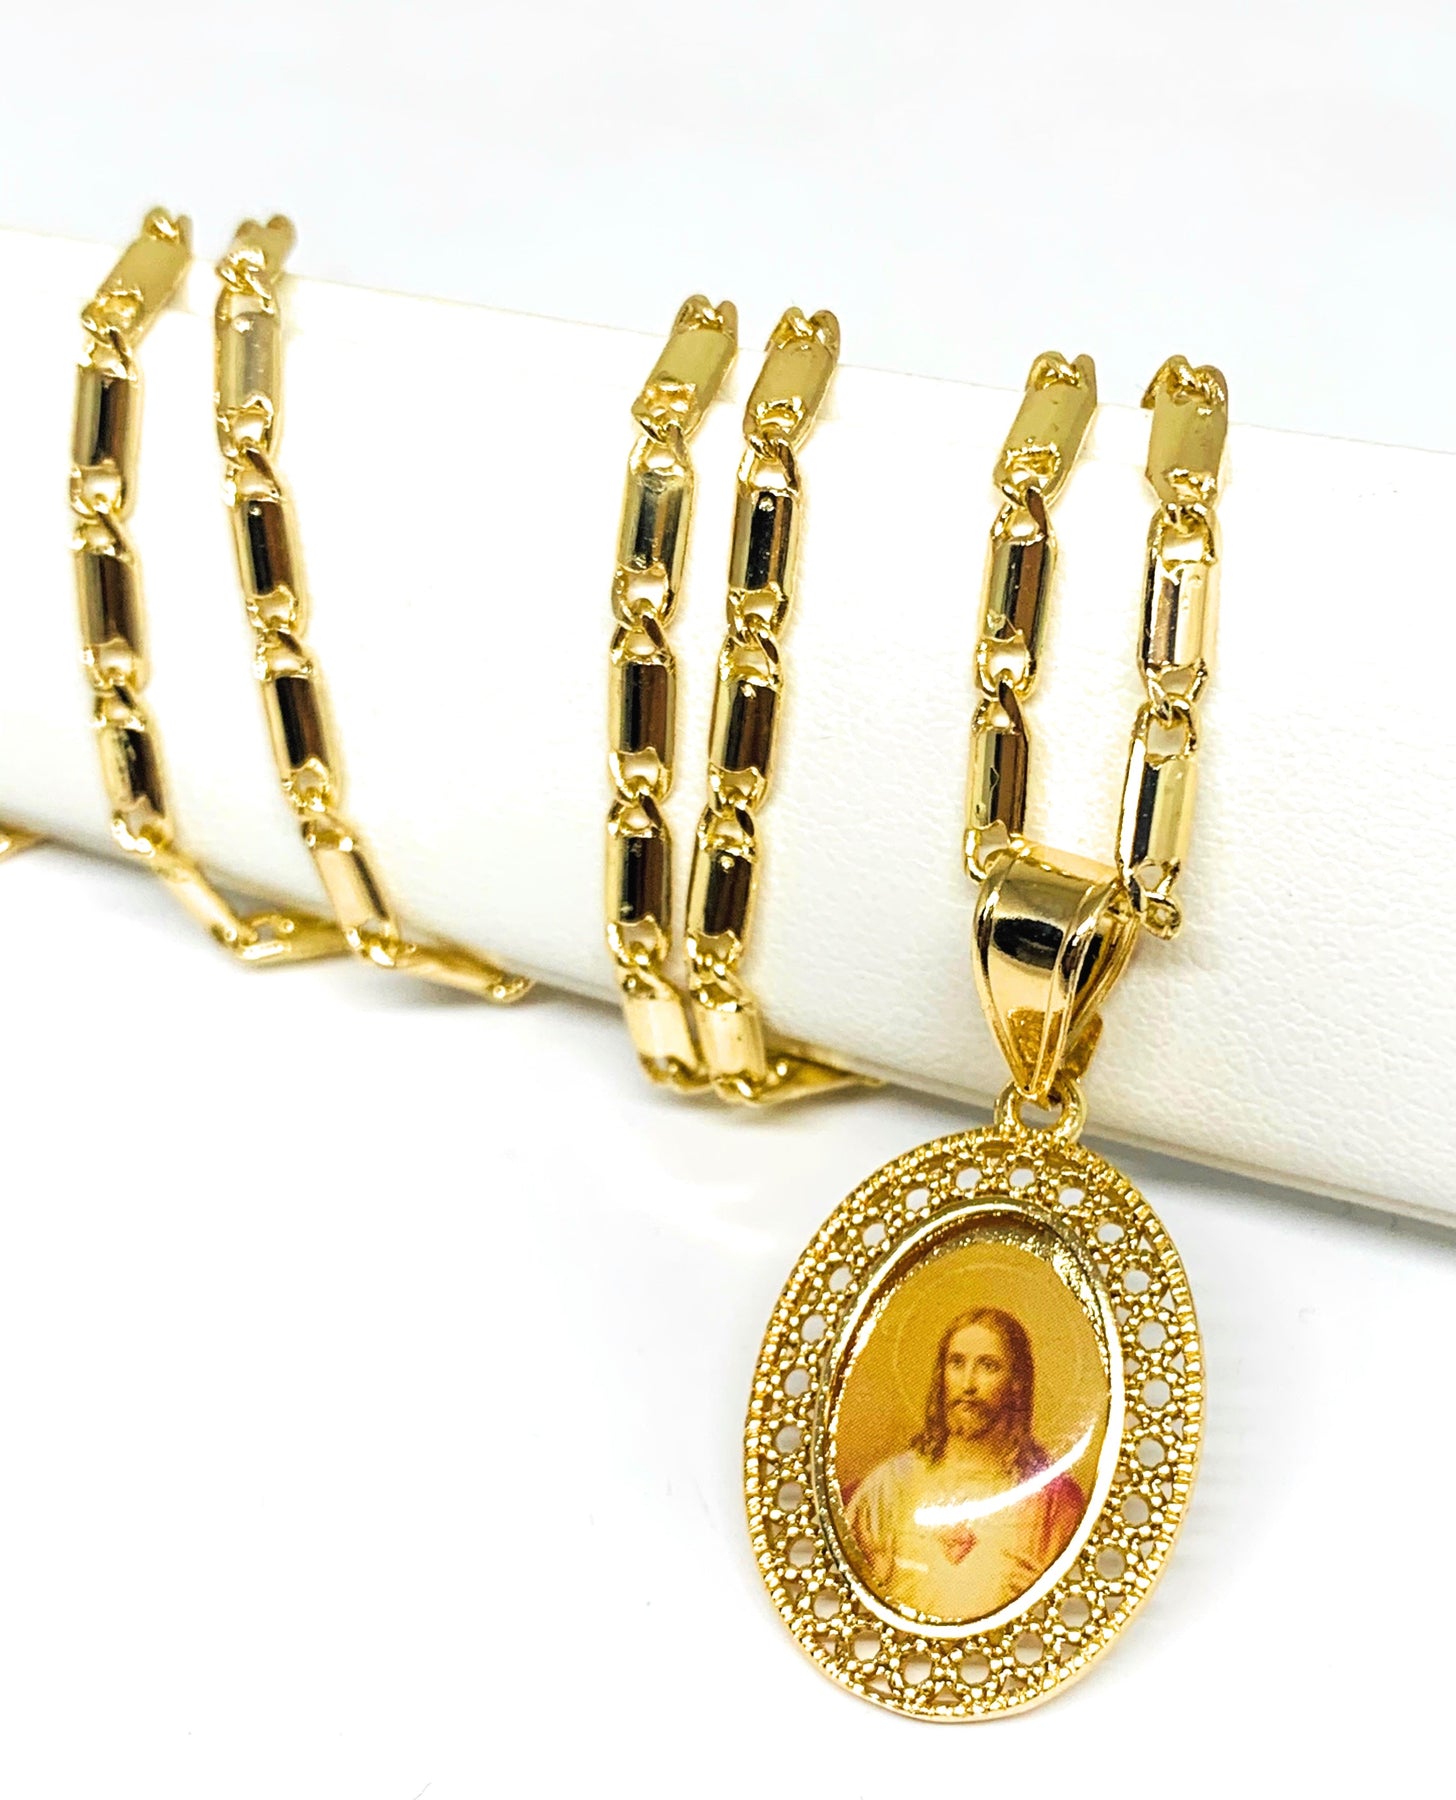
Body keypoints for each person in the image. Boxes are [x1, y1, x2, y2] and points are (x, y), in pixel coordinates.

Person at [844, 1307, 1085, 1621]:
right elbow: (851, 1596)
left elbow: (1065, 1608)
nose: (968, 1384)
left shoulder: (1052, 1500)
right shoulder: (892, 1485)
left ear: (1016, 1382)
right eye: (957, 1363)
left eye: (988, 1366)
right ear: (942, 1375)